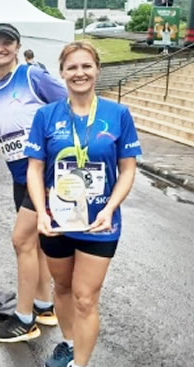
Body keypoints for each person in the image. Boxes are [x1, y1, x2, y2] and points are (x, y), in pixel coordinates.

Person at [25, 41, 141, 367]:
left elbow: (128, 169)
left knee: (85, 297)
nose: (80, 73)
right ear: (62, 73)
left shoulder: (118, 114)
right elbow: (34, 169)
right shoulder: (46, 115)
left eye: (86, 66)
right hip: (57, 220)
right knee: (61, 287)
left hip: (99, 223)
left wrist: (109, 208)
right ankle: (69, 343)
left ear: (97, 70)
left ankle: (80, 364)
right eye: (72, 67)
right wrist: (40, 211)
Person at [0, 23, 67, 344]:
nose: (0, 48)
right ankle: (45, 307)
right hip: (20, 175)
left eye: (7, 43)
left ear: (17, 47)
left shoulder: (32, 77)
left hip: (46, 171)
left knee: (21, 240)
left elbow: (69, 103)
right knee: (36, 245)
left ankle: (23, 319)